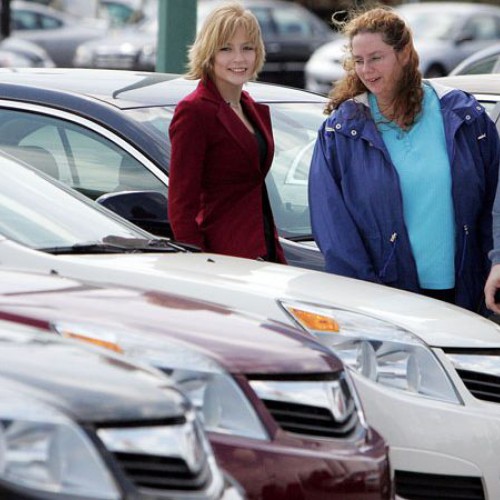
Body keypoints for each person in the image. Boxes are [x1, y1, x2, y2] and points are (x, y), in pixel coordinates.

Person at [308, 7, 500, 313]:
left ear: (405, 53)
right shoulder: (341, 132)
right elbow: (333, 228)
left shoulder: (464, 116)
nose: (367, 70)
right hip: (386, 300)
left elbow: (493, 204)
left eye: (376, 57)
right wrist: (366, 298)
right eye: (359, 61)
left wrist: (496, 263)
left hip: (467, 294)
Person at [168, 1, 286, 263]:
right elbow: (181, 205)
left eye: (247, 48)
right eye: (225, 49)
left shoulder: (249, 107)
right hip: (221, 258)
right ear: (209, 54)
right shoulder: (194, 111)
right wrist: (198, 263)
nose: (239, 59)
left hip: (264, 249)